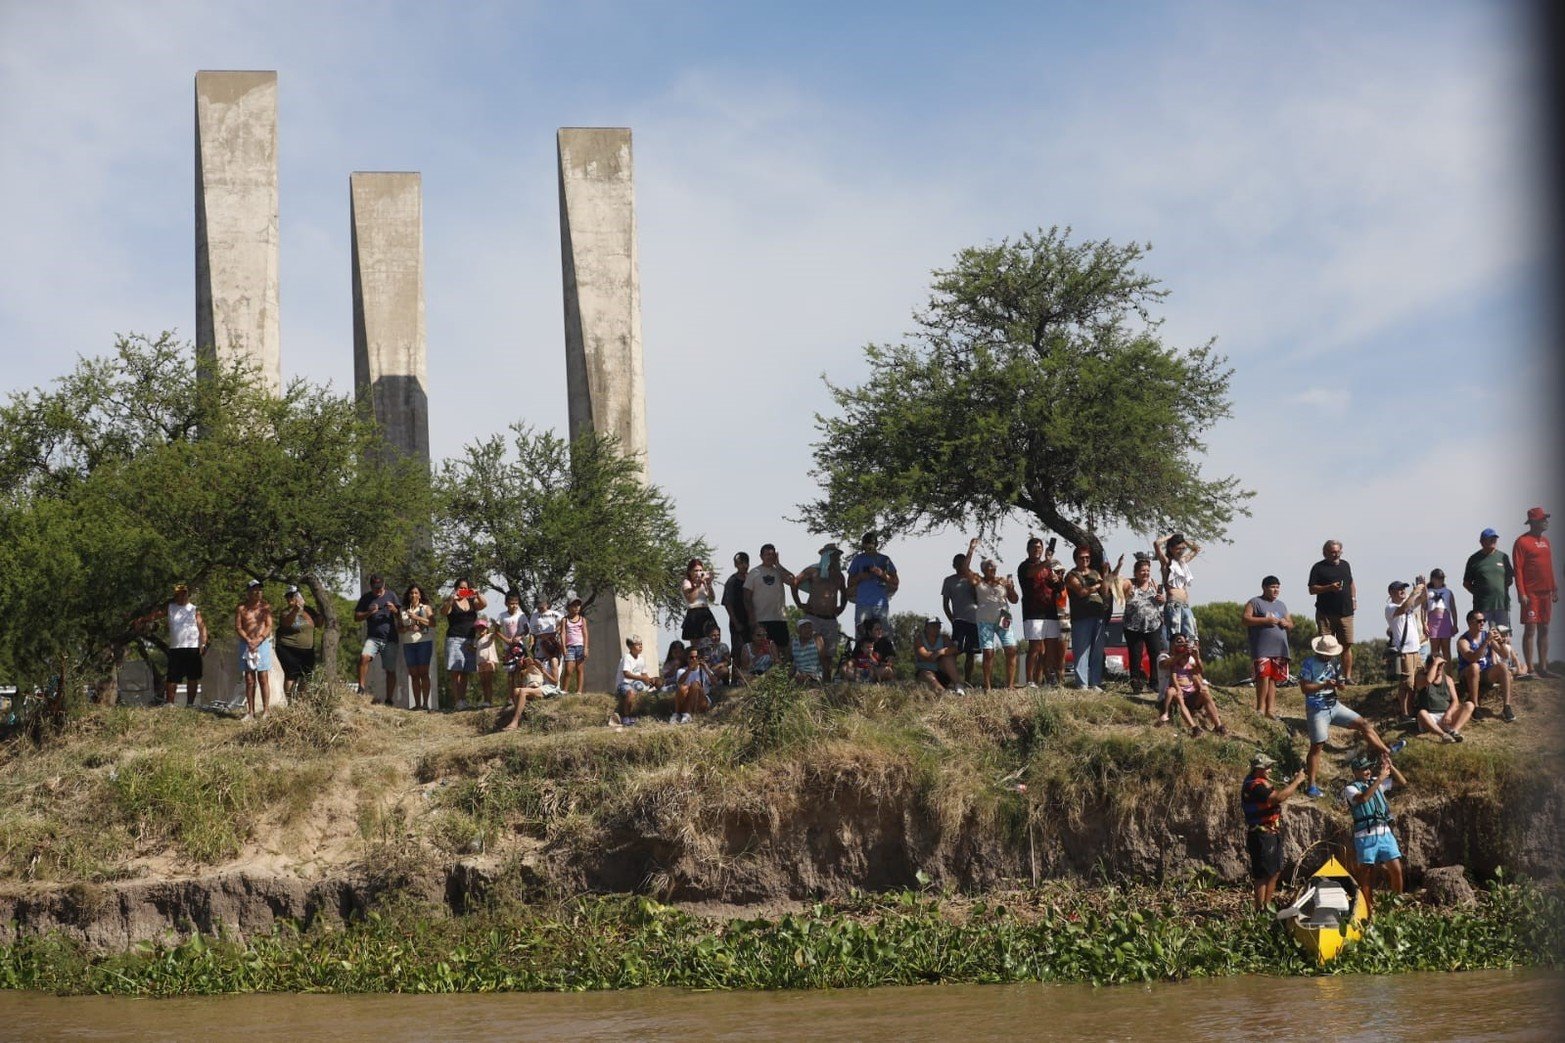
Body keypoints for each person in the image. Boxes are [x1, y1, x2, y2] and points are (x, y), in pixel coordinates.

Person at [1298, 634, 1390, 798]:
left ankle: (1385, 750)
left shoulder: (1334, 663)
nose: (1331, 656)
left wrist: (1340, 684)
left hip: (1334, 705)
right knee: (1317, 745)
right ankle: (1311, 785)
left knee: (1364, 724)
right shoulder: (1309, 663)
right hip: (1317, 709)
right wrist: (1323, 684)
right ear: (1321, 652)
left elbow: (1341, 686)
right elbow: (1304, 688)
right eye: (1329, 654)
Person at [1343, 751, 1408, 918]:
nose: (1367, 771)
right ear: (1355, 772)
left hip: (1385, 834)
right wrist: (1379, 778)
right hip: (1365, 837)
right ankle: (1368, 910)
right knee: (1366, 877)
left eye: (1368, 768)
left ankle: (1396, 906)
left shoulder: (1377, 782)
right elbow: (1363, 799)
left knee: (1396, 870)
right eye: (1363, 769)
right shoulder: (1350, 789)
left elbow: (1402, 782)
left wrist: (1390, 767)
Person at [1241, 753, 1305, 911]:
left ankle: (1267, 906)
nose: (1270, 770)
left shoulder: (1260, 783)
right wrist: (1296, 782)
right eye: (1267, 767)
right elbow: (1278, 797)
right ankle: (1260, 910)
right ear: (1258, 769)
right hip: (1261, 835)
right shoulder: (1254, 786)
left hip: (1270, 833)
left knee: (1275, 871)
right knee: (1262, 875)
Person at [960, 538, 1020, 691]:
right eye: (989, 566)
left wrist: (1011, 589)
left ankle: (1010, 685)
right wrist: (971, 549)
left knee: (1011, 648)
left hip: (1003, 618)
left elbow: (1014, 600)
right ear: (983, 569)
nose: (992, 568)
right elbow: (965, 568)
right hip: (985, 620)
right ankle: (987, 686)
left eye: (994, 566)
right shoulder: (978, 581)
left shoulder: (1002, 581)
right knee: (988, 652)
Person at [136, 583, 208, 707]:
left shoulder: (194, 609)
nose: (180, 596)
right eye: (178, 594)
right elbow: (156, 615)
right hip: (176, 647)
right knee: (172, 677)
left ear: (186, 594)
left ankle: (190, 704)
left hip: (192, 647)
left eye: (183, 594)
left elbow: (202, 627)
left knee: (192, 677)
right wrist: (143, 619)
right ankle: (170, 703)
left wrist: (203, 643)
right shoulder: (171, 608)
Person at [1307, 540, 1358, 685]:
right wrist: (1329, 587)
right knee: (1325, 646)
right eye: (1332, 552)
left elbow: (1351, 583)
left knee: (1346, 645)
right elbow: (1312, 589)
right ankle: (1322, 677)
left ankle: (1347, 677)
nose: (1335, 554)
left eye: (1337, 551)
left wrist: (1354, 599)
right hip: (1325, 614)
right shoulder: (1318, 568)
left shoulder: (1345, 565)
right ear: (1325, 553)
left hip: (1346, 613)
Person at [1017, 537, 1065, 688]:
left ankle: (1048, 678)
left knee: (1050, 648)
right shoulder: (1024, 566)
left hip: (1050, 612)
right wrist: (1047, 561)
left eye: (1039, 547)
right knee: (1035, 647)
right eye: (1034, 547)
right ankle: (1030, 680)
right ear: (1028, 549)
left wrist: (1057, 580)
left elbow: (1059, 588)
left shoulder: (1048, 568)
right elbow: (1031, 573)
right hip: (1033, 613)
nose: (1037, 550)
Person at [1514, 507, 1556, 678]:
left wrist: (1555, 588)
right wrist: (1521, 592)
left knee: (1545, 628)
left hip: (1546, 592)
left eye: (1546, 518)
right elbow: (1518, 569)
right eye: (1542, 519)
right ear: (1533, 522)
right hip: (1530, 593)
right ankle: (1530, 669)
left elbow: (1549, 566)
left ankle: (1543, 668)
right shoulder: (1522, 542)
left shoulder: (1546, 541)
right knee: (1530, 629)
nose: (1546, 521)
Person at [1242, 575, 1292, 719]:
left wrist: (1285, 623)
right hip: (1262, 647)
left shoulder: (1281, 605)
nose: (1276, 590)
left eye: (1277, 587)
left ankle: (1270, 710)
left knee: (1273, 679)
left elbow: (1291, 624)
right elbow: (1245, 619)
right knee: (1262, 676)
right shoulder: (1255, 602)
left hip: (1280, 648)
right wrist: (1266, 620)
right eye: (1272, 587)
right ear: (1264, 587)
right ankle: (1260, 709)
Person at [1117, 553, 1167, 696]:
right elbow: (1117, 583)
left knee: (1155, 654)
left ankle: (1155, 683)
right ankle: (1136, 684)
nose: (1145, 573)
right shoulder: (1129, 583)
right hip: (1133, 627)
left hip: (1153, 625)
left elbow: (1161, 602)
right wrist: (1119, 566)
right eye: (1142, 570)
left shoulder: (1154, 584)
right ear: (1136, 572)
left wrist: (1162, 599)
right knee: (1135, 655)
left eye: (1147, 570)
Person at [793, 542, 848, 668]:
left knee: (829, 654)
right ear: (826, 556)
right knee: (815, 649)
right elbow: (795, 582)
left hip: (830, 619)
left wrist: (841, 608)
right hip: (813, 617)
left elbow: (844, 594)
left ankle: (826, 683)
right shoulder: (812, 571)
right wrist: (799, 603)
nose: (836, 558)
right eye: (833, 555)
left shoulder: (839, 576)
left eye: (837, 556)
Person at [1160, 635, 1226, 737]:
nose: (1183, 644)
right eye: (1179, 641)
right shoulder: (1164, 656)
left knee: (1205, 692)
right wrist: (1183, 653)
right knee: (1178, 696)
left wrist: (1196, 656)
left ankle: (1219, 726)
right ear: (1172, 644)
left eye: (1185, 641)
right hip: (1173, 696)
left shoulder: (1188, 658)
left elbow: (1199, 671)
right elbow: (1165, 665)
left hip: (1190, 695)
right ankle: (1194, 727)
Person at [1064, 545, 1110, 691]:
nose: (1085, 560)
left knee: (1097, 651)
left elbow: (1105, 590)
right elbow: (1082, 591)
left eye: (1087, 558)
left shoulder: (1095, 573)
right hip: (1081, 616)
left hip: (1098, 614)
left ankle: (1095, 682)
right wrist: (1097, 585)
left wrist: (1105, 573)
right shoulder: (1072, 575)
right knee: (1082, 650)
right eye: (1082, 557)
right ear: (1076, 559)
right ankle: (1082, 683)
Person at [1457, 609, 1514, 721]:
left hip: (1484, 673)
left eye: (1484, 620)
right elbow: (1471, 658)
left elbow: (1505, 655)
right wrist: (1485, 643)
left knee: (1502, 666)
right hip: (1468, 675)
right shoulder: (1463, 641)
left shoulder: (1486, 636)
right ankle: (1475, 706)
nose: (1482, 623)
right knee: (1475, 666)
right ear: (1470, 623)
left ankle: (1506, 707)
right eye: (1479, 621)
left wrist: (1501, 642)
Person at [1384, 577, 1428, 719]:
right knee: (1406, 684)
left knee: (1419, 680)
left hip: (1416, 650)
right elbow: (1403, 608)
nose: (1403, 591)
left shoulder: (1407, 604)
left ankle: (1414, 709)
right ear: (1391, 593)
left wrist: (1423, 586)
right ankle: (1404, 713)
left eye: (1404, 588)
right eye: (1399, 589)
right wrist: (1414, 592)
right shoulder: (1390, 608)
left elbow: (1423, 599)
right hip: (1405, 651)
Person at [353, 574, 400, 704]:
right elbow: (356, 617)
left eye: (380, 587)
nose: (378, 590)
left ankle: (389, 699)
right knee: (364, 657)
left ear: (384, 585)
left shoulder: (392, 596)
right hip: (373, 637)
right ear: (371, 586)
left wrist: (394, 610)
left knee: (390, 670)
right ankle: (361, 688)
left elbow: (402, 616)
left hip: (390, 638)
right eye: (375, 588)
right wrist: (369, 613)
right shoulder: (366, 598)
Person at [441, 579, 487, 710]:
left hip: (469, 639)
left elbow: (483, 604)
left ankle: (463, 699)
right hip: (454, 639)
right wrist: (451, 599)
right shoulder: (451, 601)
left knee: (466, 671)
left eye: (465, 588)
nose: (463, 591)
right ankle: (458, 701)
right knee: (456, 671)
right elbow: (443, 612)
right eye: (460, 588)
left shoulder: (472, 602)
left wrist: (477, 593)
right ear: (456, 588)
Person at [743, 543, 796, 655]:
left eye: (772, 554)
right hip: (761, 619)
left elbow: (792, 581)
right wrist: (752, 618)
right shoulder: (754, 572)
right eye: (767, 554)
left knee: (783, 650)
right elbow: (746, 597)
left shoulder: (779, 571)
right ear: (761, 556)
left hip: (779, 618)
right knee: (764, 651)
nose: (770, 557)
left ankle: (781, 672)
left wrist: (778, 565)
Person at [942, 550, 982, 686]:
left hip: (974, 619)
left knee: (971, 652)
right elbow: (945, 603)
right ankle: (950, 678)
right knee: (956, 650)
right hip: (959, 620)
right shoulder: (949, 581)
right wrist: (951, 619)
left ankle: (968, 682)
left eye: (962, 563)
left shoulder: (974, 578)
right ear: (953, 565)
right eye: (957, 564)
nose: (960, 566)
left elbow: (981, 598)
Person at [235, 580, 274, 721]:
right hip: (246, 644)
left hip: (261, 644)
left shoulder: (265, 607)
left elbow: (269, 625)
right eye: (254, 590)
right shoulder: (241, 607)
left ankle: (266, 710)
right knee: (249, 679)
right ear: (249, 591)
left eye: (259, 590)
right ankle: (250, 712)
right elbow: (238, 626)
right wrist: (248, 640)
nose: (257, 592)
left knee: (263, 677)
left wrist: (260, 639)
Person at [846, 530, 899, 633]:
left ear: (876, 545)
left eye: (871, 546)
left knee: (884, 635)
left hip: (881, 604)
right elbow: (849, 582)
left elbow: (895, 582)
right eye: (866, 546)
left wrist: (882, 574)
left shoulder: (885, 559)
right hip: (862, 603)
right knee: (862, 635)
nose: (869, 549)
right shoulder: (858, 559)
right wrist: (861, 576)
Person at [1414, 652, 1473, 742]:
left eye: (1441, 665)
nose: (1440, 668)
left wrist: (1449, 713)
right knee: (1421, 713)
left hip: (1446, 716)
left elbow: (1455, 701)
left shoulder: (1448, 679)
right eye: (1437, 665)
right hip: (1430, 717)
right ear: (1429, 666)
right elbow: (1428, 680)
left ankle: (1454, 731)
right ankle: (1443, 735)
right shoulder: (1421, 677)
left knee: (1469, 705)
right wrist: (1435, 663)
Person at [275, 586, 321, 700]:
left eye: (293, 595)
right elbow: (287, 623)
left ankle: (300, 702)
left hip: (307, 649)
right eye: (288, 596)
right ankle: (289, 702)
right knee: (291, 675)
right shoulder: (285, 612)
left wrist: (322, 612)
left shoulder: (309, 610)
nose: (290, 598)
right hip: (288, 648)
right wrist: (296, 609)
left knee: (306, 676)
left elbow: (318, 624)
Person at [1464, 528, 1515, 629]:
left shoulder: (1503, 557)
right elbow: (1466, 583)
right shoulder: (1473, 559)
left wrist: (1498, 590)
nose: (1493, 541)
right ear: (1482, 541)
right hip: (1482, 606)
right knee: (1485, 636)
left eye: (1495, 538)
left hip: (1502, 604)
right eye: (1490, 538)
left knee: (1503, 637)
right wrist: (1480, 594)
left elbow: (1509, 579)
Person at [1154, 532, 1200, 641]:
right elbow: (1156, 544)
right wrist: (1171, 536)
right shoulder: (1166, 562)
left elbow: (1196, 549)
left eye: (1183, 548)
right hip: (1173, 604)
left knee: (1191, 636)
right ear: (1171, 549)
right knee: (1176, 637)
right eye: (1178, 548)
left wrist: (1184, 540)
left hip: (1185, 605)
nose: (1181, 551)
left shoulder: (1183, 562)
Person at [397, 584, 435, 711]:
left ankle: (425, 703)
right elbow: (399, 628)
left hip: (424, 642)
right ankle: (417, 704)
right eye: (411, 593)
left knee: (424, 673)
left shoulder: (426, 608)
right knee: (413, 675)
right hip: (408, 644)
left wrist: (417, 618)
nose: (413, 595)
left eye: (416, 593)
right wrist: (408, 628)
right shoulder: (403, 610)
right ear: (408, 595)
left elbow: (433, 623)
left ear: (420, 595)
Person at [491, 592, 530, 709]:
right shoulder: (502, 615)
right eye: (512, 603)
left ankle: (522, 695)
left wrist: (520, 636)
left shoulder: (521, 615)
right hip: (508, 648)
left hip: (520, 647)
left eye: (516, 604)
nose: (514, 606)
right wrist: (507, 640)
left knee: (521, 671)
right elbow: (497, 631)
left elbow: (527, 630)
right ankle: (510, 697)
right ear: (506, 604)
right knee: (511, 673)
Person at [612, 634, 660, 727]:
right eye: (637, 644)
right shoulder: (627, 657)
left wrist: (650, 680)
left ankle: (652, 712)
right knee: (631, 692)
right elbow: (627, 674)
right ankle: (626, 716)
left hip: (637, 683)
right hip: (625, 683)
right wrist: (642, 678)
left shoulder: (641, 659)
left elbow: (644, 673)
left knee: (658, 682)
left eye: (641, 644)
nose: (640, 646)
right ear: (630, 646)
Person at [913, 617, 966, 694]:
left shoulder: (944, 638)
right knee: (928, 675)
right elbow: (924, 656)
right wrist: (938, 653)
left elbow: (955, 649)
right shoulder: (919, 639)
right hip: (925, 671)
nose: (937, 628)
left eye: (938, 626)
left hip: (941, 672)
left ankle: (958, 685)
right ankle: (944, 693)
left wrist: (941, 652)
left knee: (948, 658)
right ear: (926, 628)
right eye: (933, 626)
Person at [501, 650, 549, 732]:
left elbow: (530, 660)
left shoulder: (534, 665)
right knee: (516, 690)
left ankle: (515, 721)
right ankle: (520, 716)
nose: (520, 661)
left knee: (522, 691)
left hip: (539, 687)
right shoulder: (524, 671)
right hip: (530, 687)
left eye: (521, 659)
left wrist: (524, 658)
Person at [672, 645, 717, 723]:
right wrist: (689, 669)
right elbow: (680, 683)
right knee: (683, 688)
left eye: (696, 657)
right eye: (691, 657)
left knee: (695, 684)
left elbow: (715, 683)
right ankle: (677, 714)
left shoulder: (704, 670)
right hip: (688, 701)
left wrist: (706, 669)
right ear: (687, 659)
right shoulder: (682, 671)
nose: (694, 659)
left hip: (702, 700)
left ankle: (687, 714)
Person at [720, 551, 752, 658]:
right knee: (738, 651)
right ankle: (735, 674)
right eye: (740, 563)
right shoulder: (732, 581)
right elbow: (728, 604)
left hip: (752, 620)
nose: (743, 565)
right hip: (738, 621)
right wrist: (736, 622)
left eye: (745, 563)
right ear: (735, 565)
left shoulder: (752, 579)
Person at [680, 558, 719, 644]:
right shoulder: (687, 582)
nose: (698, 573)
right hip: (694, 613)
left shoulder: (703, 583)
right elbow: (691, 599)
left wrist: (708, 584)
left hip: (705, 611)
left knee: (711, 640)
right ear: (690, 572)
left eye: (700, 570)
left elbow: (712, 598)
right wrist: (698, 584)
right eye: (696, 570)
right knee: (696, 643)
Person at [1423, 568, 1458, 664]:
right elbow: (1424, 608)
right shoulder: (1427, 592)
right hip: (1433, 621)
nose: (1440, 580)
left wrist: (1455, 624)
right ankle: (1434, 674)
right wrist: (1424, 623)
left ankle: (1448, 675)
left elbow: (1453, 608)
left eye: (1442, 578)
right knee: (1435, 651)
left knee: (1446, 650)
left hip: (1445, 621)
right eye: (1438, 578)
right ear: (1432, 579)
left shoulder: (1448, 592)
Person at [849, 617, 897, 682]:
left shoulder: (886, 642)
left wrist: (884, 663)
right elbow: (853, 660)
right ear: (870, 632)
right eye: (877, 629)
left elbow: (890, 660)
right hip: (861, 670)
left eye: (880, 629)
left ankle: (869, 680)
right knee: (844, 669)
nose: (880, 631)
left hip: (878, 669)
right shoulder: (862, 642)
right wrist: (848, 666)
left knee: (888, 670)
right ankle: (864, 680)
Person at [558, 598, 589, 695]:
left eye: (578, 605)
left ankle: (579, 691)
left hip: (580, 646)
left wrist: (586, 648)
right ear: (568, 607)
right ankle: (565, 690)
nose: (576, 607)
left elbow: (585, 634)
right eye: (574, 605)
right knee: (568, 669)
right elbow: (563, 633)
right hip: (570, 647)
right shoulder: (565, 620)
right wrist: (563, 647)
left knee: (580, 669)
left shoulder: (582, 619)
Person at [696, 620, 735, 687]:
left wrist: (718, 665)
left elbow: (728, 662)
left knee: (725, 670)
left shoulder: (723, 646)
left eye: (718, 635)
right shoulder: (703, 644)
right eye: (714, 635)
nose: (717, 637)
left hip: (717, 670)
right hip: (706, 669)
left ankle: (721, 685)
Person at [790, 618, 827, 684]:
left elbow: (823, 660)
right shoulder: (793, 642)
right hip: (798, 674)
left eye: (809, 627)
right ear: (798, 631)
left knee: (804, 680)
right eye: (804, 627)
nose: (807, 630)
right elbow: (791, 661)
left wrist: (824, 677)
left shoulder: (817, 640)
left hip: (814, 674)